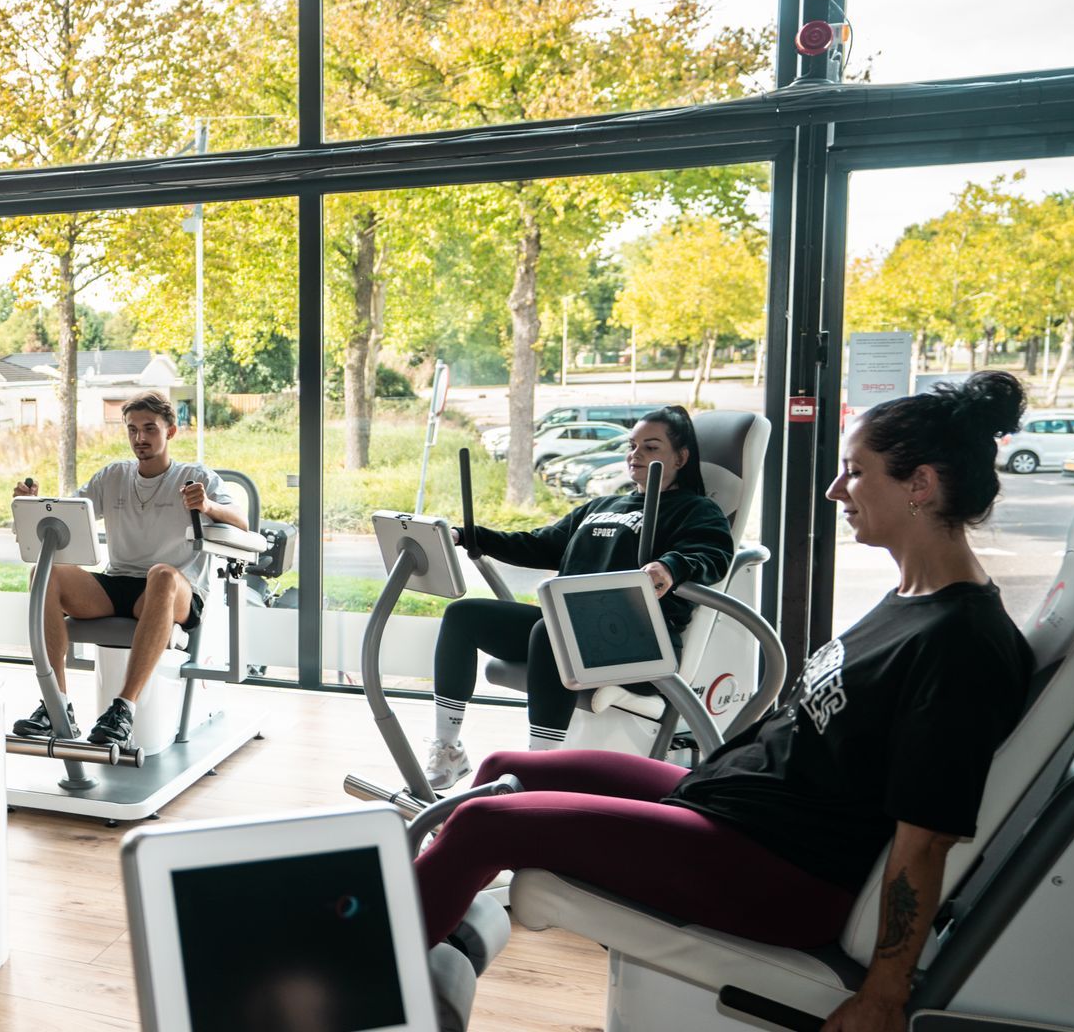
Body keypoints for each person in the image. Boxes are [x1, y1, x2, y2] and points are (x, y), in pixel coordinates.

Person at [412, 372, 1033, 1032]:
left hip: (778, 869)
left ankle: (361, 973)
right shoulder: (913, 601)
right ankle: (450, 942)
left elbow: (927, 838)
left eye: (855, 472)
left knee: (485, 825)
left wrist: (884, 991)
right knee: (510, 770)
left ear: (921, 484)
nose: (835, 490)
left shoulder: (962, 644)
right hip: (733, 803)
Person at [424, 406, 735, 786]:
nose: (635, 455)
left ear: (681, 458)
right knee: (464, 615)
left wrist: (669, 567)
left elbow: (714, 554)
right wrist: (465, 536)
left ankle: (539, 771)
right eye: (632, 445)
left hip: (637, 643)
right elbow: (538, 545)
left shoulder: (696, 510)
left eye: (651, 447)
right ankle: (448, 750)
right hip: (571, 633)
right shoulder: (602, 506)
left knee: (551, 631)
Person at [10, 391, 247, 749]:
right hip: (118, 585)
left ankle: (123, 708)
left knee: (162, 574)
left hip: (174, 590)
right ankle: (56, 704)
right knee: (45, 576)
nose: (140, 438)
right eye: (133, 429)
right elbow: (70, 515)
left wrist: (209, 505)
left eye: (150, 428)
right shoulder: (113, 476)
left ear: (171, 431)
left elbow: (242, 522)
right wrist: (34, 506)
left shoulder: (195, 475)